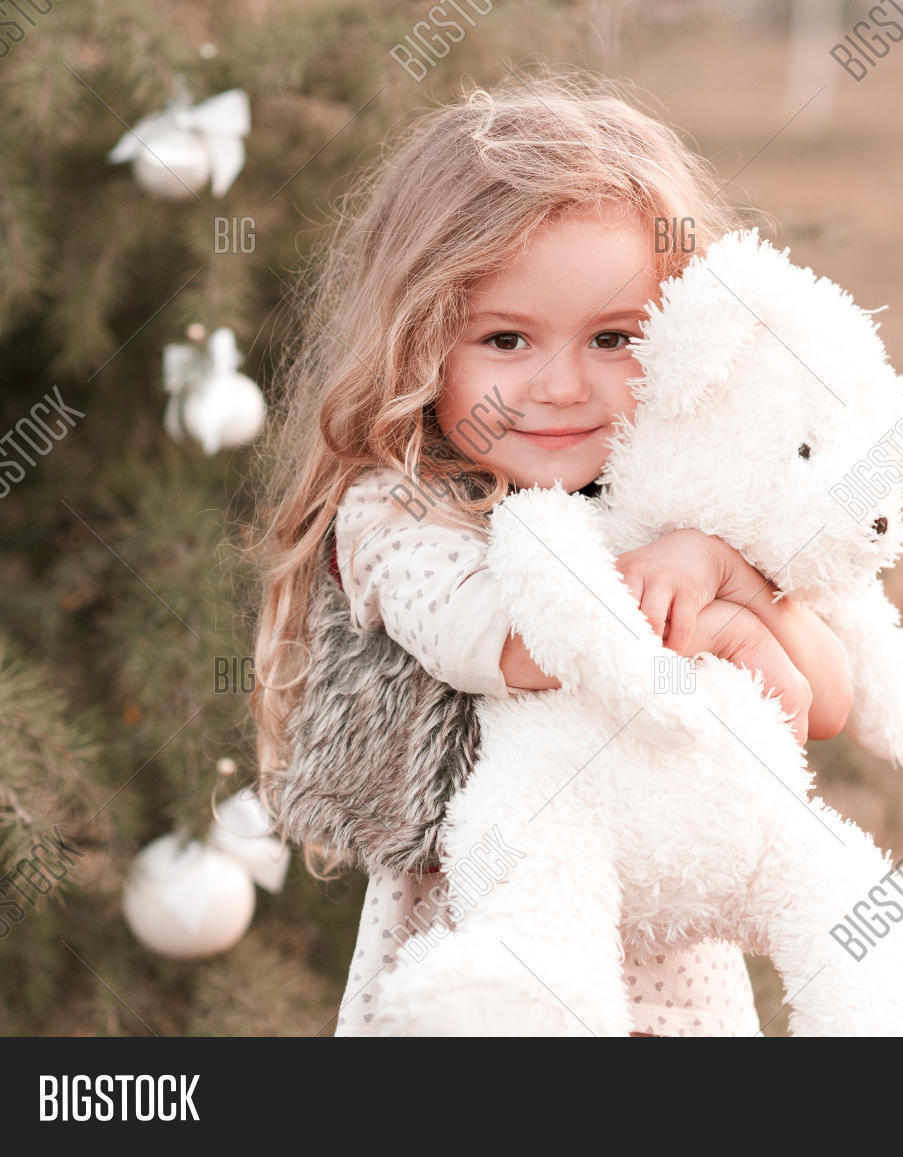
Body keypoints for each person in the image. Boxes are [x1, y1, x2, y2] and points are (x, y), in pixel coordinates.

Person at [250, 74, 853, 1037]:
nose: (562, 385)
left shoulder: (672, 504)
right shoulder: (400, 511)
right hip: (480, 965)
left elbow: (824, 700)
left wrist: (727, 572)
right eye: (507, 338)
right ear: (422, 345)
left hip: (673, 986)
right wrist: (725, 623)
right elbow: (504, 637)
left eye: (614, 337)